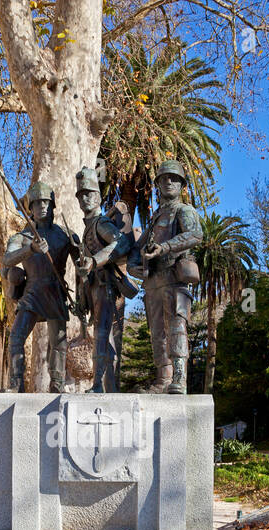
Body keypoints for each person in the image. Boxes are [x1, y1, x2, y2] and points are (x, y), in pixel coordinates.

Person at [131, 159, 203, 395]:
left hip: (174, 278)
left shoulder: (184, 211)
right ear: (158, 185)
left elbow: (195, 235)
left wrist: (165, 248)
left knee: (177, 327)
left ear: (182, 184)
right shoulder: (154, 219)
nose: (168, 182)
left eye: (174, 178)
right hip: (153, 283)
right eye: (164, 178)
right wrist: (134, 268)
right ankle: (163, 378)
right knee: (157, 333)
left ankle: (179, 379)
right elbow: (137, 248)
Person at [3, 182, 82, 393]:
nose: (42, 207)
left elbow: (82, 267)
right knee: (17, 337)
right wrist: (31, 249)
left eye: (46, 202)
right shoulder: (22, 237)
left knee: (59, 343)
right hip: (32, 291)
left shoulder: (66, 234)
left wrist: (81, 254)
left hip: (56, 291)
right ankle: (15, 383)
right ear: (30, 209)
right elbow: (7, 259)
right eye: (37, 204)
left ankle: (57, 383)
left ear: (53, 204)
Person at [75, 166, 137, 392]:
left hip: (105, 287)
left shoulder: (100, 223)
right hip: (94, 289)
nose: (85, 199)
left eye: (89, 194)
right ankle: (109, 388)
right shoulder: (87, 229)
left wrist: (94, 261)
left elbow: (122, 243)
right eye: (81, 195)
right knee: (103, 337)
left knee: (101, 335)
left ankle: (98, 386)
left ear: (99, 197)